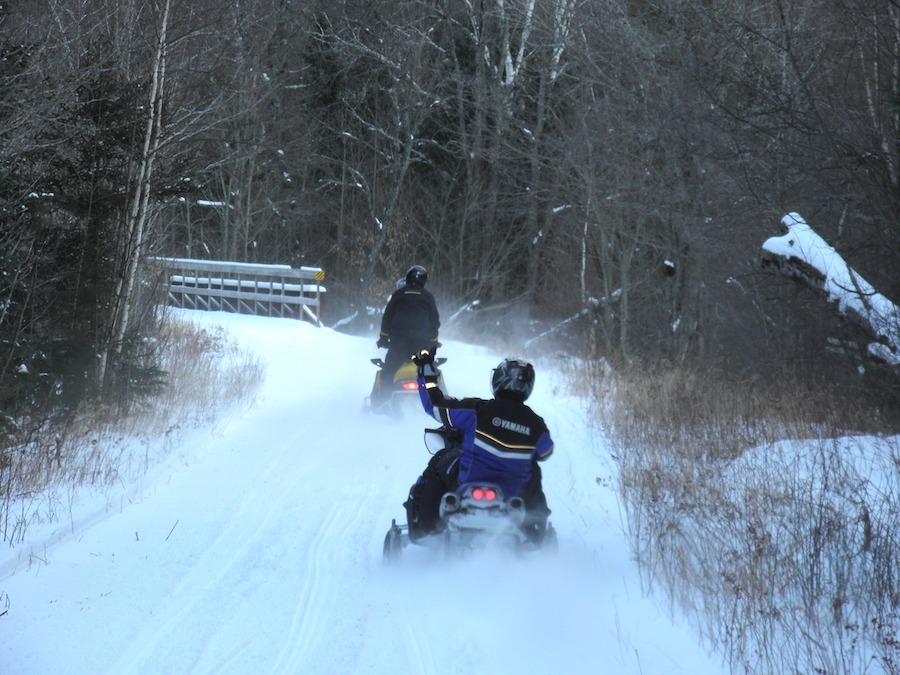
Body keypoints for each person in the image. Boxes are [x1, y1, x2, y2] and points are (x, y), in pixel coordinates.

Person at [404, 351, 554, 545]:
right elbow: (546, 452)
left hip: (467, 482)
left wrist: (426, 374)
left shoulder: (476, 410)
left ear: (499, 379)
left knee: (439, 461)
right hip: (511, 492)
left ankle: (426, 527)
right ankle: (534, 531)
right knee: (533, 468)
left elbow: (434, 406)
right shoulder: (536, 425)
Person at [372, 265, 440, 406]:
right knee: (430, 370)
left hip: (398, 342)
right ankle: (438, 400)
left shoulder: (398, 295)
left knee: (388, 371)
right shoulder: (428, 297)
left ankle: (382, 401)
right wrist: (433, 341)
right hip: (422, 344)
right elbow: (435, 322)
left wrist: (384, 337)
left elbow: (387, 318)